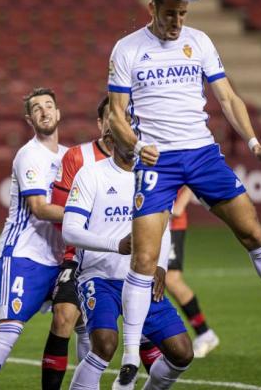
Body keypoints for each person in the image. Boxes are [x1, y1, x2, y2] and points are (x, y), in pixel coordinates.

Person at [107, 0, 261, 375]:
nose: (176, 21)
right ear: (151, 10)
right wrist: (133, 144)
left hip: (201, 154)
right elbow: (115, 114)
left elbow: (227, 96)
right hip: (156, 162)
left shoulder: (199, 41)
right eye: (169, 14)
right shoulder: (127, 49)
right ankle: (129, 355)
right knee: (144, 258)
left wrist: (252, 144)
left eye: (182, 13)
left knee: (251, 230)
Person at [64, 130, 193, 390]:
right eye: (129, 138)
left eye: (138, 137)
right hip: (99, 276)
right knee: (105, 344)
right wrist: (116, 245)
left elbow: (163, 226)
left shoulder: (152, 177)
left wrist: (160, 266)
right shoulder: (91, 174)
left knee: (182, 353)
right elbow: (70, 230)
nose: (136, 143)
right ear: (111, 140)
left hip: (141, 278)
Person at [0, 88, 68, 390]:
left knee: (79, 323)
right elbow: (39, 208)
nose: (44, 111)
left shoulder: (69, 157)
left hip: (61, 257)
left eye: (49, 105)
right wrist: (84, 217)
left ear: (58, 113)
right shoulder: (29, 155)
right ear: (29, 119)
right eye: (37, 108)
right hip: (25, 254)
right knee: (8, 334)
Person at [41, 96, 111, 389]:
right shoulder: (77, 157)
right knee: (64, 316)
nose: (116, 121)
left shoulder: (142, 159)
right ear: (100, 122)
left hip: (123, 258)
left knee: (132, 334)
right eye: (110, 116)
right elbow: (60, 212)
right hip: (79, 256)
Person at [166, 186, 219, 358]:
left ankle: (204, 333)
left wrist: (179, 204)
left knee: (171, 279)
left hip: (170, 222)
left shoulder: (180, 156)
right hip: (150, 217)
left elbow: (190, 171)